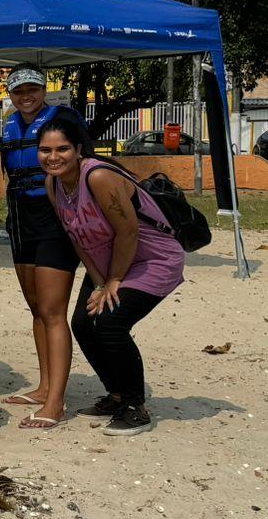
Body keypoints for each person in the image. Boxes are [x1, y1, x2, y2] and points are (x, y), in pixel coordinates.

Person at [39, 120, 184, 435]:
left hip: (151, 259)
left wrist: (114, 282)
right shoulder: (53, 184)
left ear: (78, 150)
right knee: (82, 322)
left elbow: (128, 232)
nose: (53, 157)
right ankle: (116, 393)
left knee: (111, 322)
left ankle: (135, 407)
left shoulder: (98, 176)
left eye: (62, 148)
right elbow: (75, 234)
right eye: (45, 150)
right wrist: (98, 281)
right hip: (107, 265)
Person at [0, 68, 86, 430]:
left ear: (43, 90)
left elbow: (82, 164)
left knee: (52, 311)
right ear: (11, 94)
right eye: (19, 90)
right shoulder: (9, 124)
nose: (26, 96)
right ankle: (44, 385)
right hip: (20, 217)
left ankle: (55, 402)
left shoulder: (63, 120)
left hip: (54, 215)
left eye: (32, 89)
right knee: (35, 307)